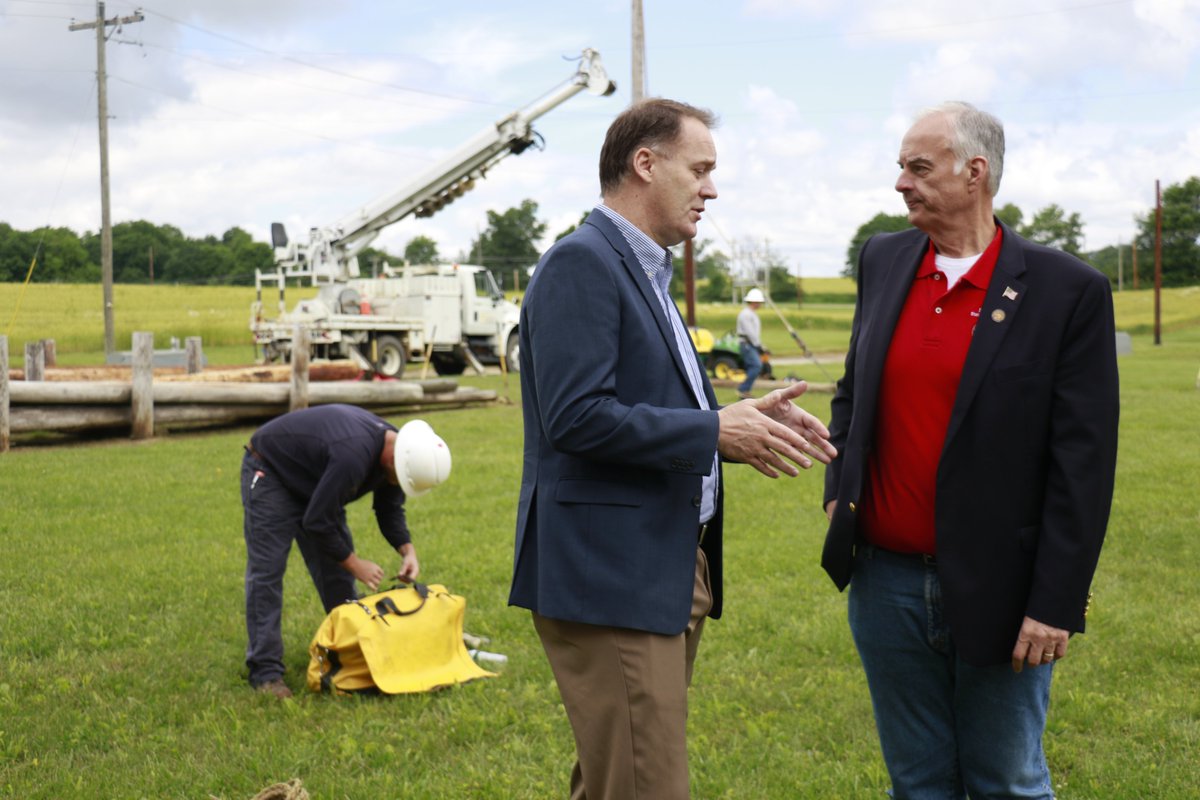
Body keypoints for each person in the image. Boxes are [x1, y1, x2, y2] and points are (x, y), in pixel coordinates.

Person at [509, 97, 837, 800]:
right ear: (645, 163)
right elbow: (576, 418)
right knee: (643, 783)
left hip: (655, 566)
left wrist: (734, 417)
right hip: (612, 576)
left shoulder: (642, 270)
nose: (712, 190)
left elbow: (639, 404)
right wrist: (714, 432)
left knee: (617, 775)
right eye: (702, 169)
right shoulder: (583, 264)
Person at [821, 101, 1119, 798]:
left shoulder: (1067, 290)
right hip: (885, 584)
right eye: (900, 166)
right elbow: (851, 392)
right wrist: (840, 485)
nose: (901, 183)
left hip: (1004, 588)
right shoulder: (884, 259)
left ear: (974, 173)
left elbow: (1084, 463)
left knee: (1006, 780)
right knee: (917, 780)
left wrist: (1055, 600)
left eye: (918, 167)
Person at [241, 404, 450, 699]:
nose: (397, 485)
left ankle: (352, 652)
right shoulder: (353, 456)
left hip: (317, 481)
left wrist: (408, 550)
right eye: (399, 479)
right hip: (271, 470)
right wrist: (355, 563)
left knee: (336, 576)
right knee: (268, 571)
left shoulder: (399, 451)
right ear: (394, 460)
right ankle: (265, 671)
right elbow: (317, 521)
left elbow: (389, 508)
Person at [736, 287, 767, 398]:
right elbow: (750, 332)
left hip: (751, 344)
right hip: (747, 344)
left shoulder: (751, 314)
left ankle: (746, 391)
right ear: (754, 301)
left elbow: (754, 333)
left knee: (753, 366)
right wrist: (758, 345)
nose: (760, 304)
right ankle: (743, 389)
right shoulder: (746, 314)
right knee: (756, 366)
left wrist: (760, 345)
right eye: (759, 302)